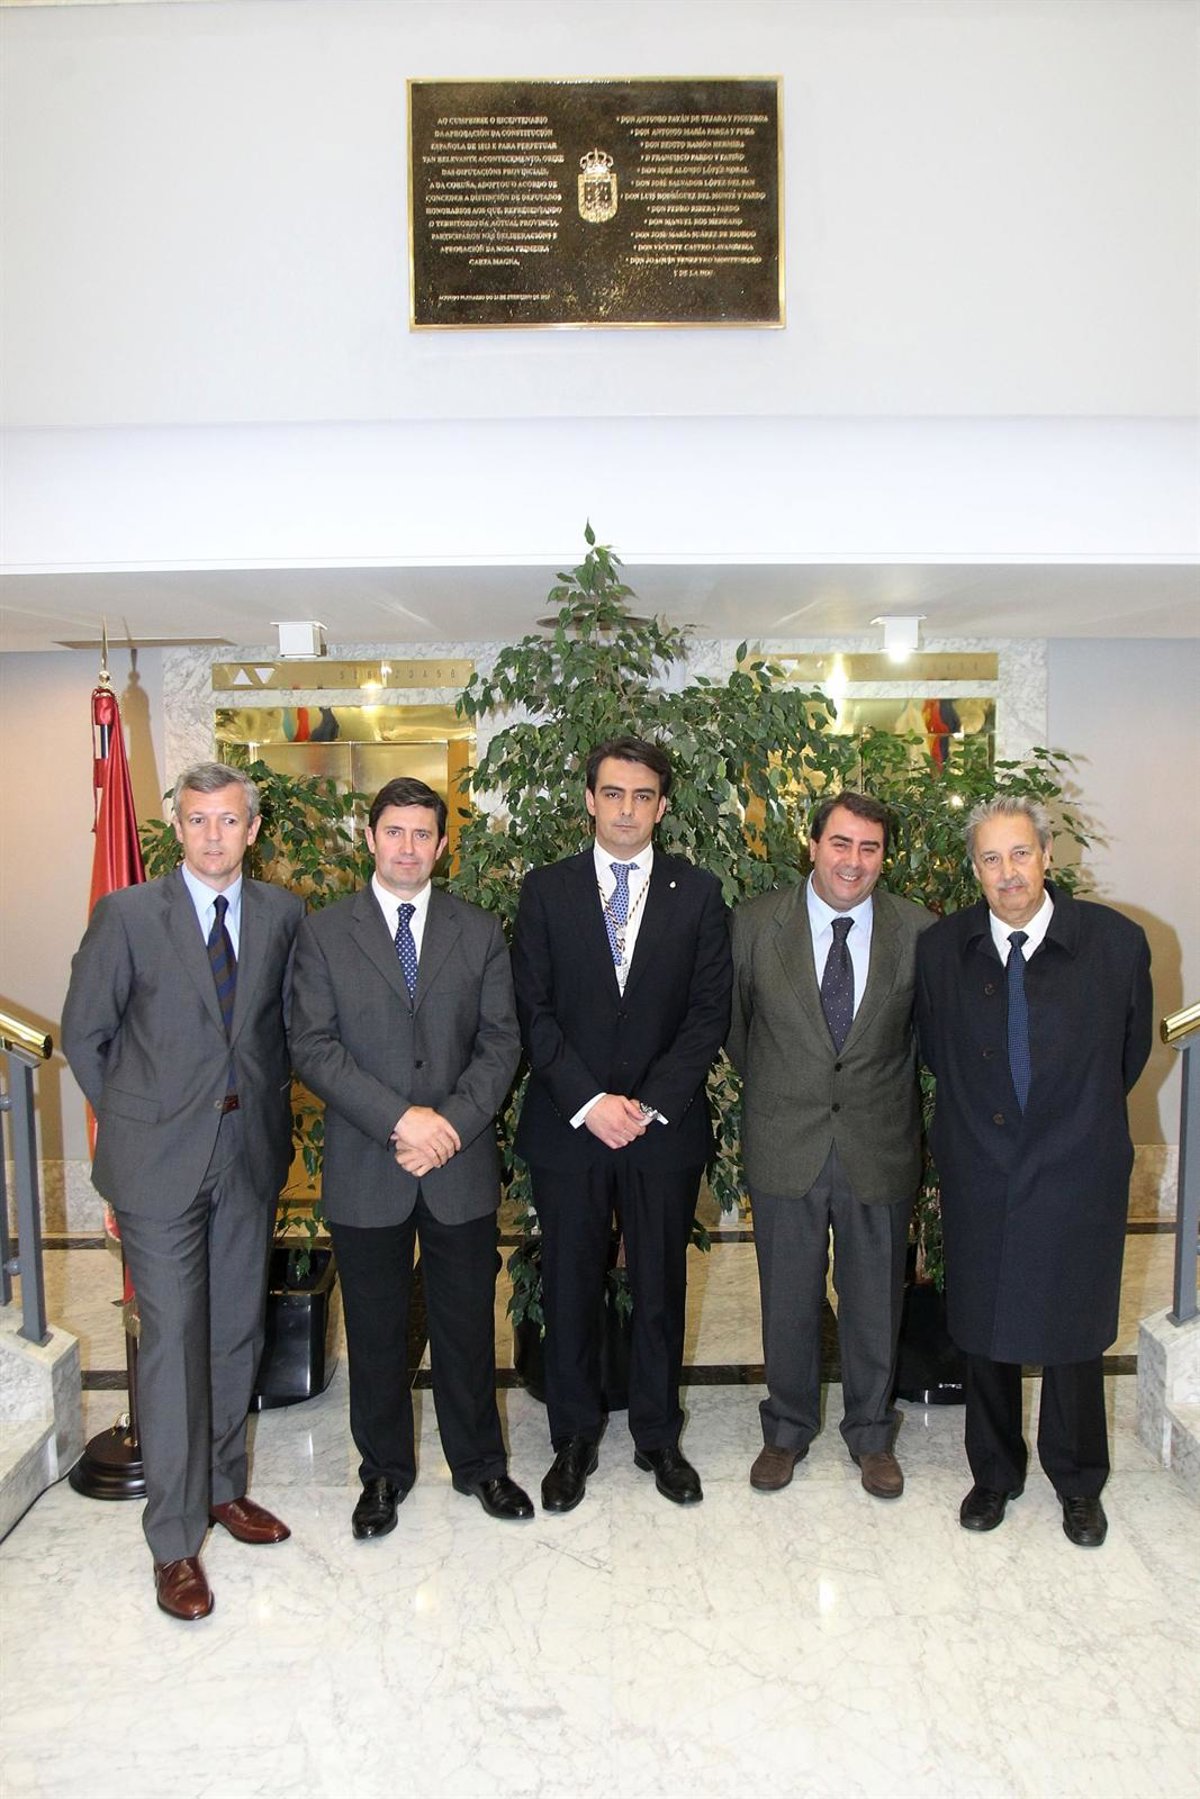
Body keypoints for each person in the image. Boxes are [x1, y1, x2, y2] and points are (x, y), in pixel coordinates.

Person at [62, 762, 303, 1621]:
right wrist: (138, 1124)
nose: (212, 835)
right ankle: (172, 1539)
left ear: (252, 827)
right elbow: (84, 1035)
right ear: (178, 826)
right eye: (197, 819)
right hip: (159, 1165)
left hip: (247, 1153)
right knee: (172, 1343)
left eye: (228, 820)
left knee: (236, 1329)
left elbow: (284, 1029)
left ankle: (222, 1487)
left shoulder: (281, 913)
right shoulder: (129, 914)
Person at [289, 776, 532, 1538]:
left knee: (466, 1325)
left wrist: (447, 1126)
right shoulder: (324, 933)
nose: (407, 846)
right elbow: (312, 1046)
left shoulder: (478, 930)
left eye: (422, 833)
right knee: (376, 1330)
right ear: (369, 838)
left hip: (458, 1163)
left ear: (442, 844)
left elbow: (501, 1043)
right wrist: (402, 1120)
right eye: (393, 831)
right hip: (370, 1163)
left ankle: (480, 1464)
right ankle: (383, 1473)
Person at [915, 795, 1153, 1547]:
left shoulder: (1116, 943)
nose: (1008, 871)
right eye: (990, 858)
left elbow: (1128, 1053)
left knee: (1073, 1330)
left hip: (1078, 1162)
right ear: (975, 869)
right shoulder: (941, 949)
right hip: (980, 1164)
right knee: (984, 1325)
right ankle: (993, 1474)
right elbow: (936, 1050)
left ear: (1047, 855)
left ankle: (1078, 1482)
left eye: (1020, 853)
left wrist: (1069, 1119)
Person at [511, 736, 732, 1510]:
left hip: (660, 1128)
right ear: (590, 799)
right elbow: (532, 1010)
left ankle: (657, 1435)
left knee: (661, 1284)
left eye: (643, 796)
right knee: (570, 1285)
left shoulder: (698, 893)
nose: (627, 809)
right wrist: (588, 1100)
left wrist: (647, 1102)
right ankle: (573, 1438)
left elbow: (708, 1013)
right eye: (613, 793)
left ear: (662, 806)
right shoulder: (546, 890)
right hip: (569, 1124)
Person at [728, 794, 933, 1499]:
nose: (853, 861)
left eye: (870, 848)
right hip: (786, 1138)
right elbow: (737, 1030)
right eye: (840, 843)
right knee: (788, 1295)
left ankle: (872, 1434)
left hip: (879, 1142)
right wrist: (789, 1087)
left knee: (876, 1297)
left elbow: (922, 1038)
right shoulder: (754, 925)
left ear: (884, 857)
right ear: (812, 844)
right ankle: (786, 1429)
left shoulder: (918, 930)